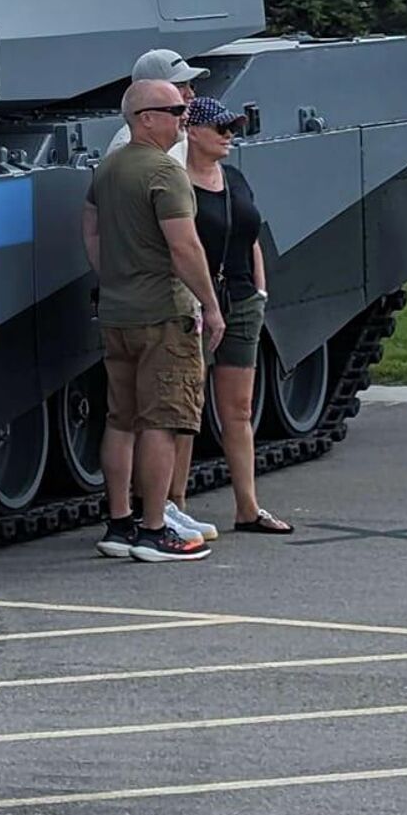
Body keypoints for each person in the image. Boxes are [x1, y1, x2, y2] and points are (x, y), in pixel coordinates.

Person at [83, 78, 225, 563]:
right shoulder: (165, 171)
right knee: (163, 420)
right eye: (173, 109)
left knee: (121, 419)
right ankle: (154, 529)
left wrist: (114, 276)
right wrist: (210, 303)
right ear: (145, 118)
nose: (183, 116)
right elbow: (184, 246)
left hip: (118, 311)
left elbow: (92, 227)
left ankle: (120, 522)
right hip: (164, 313)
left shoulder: (108, 168)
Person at [184, 94, 293, 535]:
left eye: (233, 127)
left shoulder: (234, 178)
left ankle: (247, 506)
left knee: (239, 407)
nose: (230, 135)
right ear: (192, 132)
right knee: (187, 407)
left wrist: (260, 290)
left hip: (242, 298)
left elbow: (251, 235)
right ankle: (174, 504)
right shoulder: (176, 182)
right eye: (220, 128)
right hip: (195, 303)